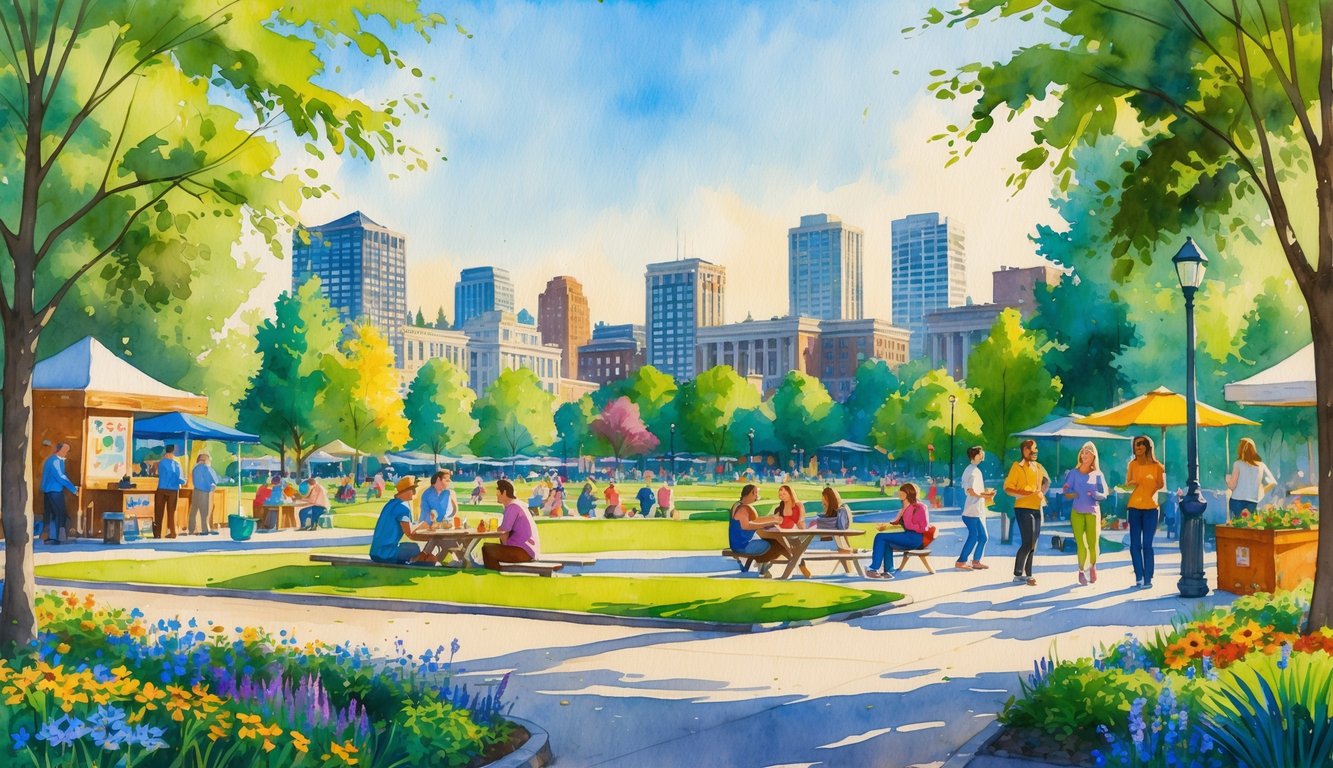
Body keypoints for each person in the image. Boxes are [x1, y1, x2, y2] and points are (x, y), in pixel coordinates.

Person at [1004, 439, 1050, 587]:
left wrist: (1042, 492)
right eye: (1032, 450)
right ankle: (1018, 574)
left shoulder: (1038, 467)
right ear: (1025, 450)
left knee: (1033, 544)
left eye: (1036, 449)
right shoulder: (1017, 467)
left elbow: (1046, 481)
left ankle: (1029, 574)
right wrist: (1022, 492)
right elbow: (1008, 488)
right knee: (1028, 542)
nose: (1035, 452)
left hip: (1037, 508)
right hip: (1022, 508)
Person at [1062, 442, 1109, 586]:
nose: (1084, 455)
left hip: (1092, 512)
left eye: (1087, 453)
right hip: (1077, 512)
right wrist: (1070, 494)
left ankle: (1093, 566)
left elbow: (1105, 494)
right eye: (1082, 452)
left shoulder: (1097, 474)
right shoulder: (1073, 473)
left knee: (1093, 543)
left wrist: (1095, 494)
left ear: (1093, 455)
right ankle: (1081, 570)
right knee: (1081, 544)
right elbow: (1065, 490)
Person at [1123, 435, 1165, 589]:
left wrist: (1149, 486)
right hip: (1134, 507)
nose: (1138, 447)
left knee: (1147, 544)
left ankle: (1148, 578)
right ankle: (1139, 576)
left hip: (1151, 509)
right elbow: (1128, 484)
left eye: (1141, 444)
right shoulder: (1132, 465)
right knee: (1134, 545)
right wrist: (1132, 484)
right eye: (1135, 445)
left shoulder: (1158, 467)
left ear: (1148, 446)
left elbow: (1160, 485)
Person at [866, 483, 929, 579]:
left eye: (903, 491)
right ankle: (889, 571)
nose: (899, 493)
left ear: (909, 493)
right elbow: (898, 524)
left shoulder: (920, 507)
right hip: (907, 536)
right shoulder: (904, 508)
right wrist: (885, 527)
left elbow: (924, 527)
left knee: (880, 537)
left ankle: (873, 568)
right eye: (900, 490)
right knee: (885, 541)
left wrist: (909, 520)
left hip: (915, 538)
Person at [727, 484, 790, 574]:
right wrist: (769, 523)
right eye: (756, 493)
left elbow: (755, 520)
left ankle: (764, 566)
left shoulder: (739, 505)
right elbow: (746, 526)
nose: (757, 496)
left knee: (773, 542)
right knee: (776, 544)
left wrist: (772, 519)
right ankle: (792, 561)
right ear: (750, 494)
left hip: (740, 544)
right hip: (743, 546)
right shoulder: (743, 509)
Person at [369, 476, 434, 564]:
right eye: (413, 490)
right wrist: (429, 534)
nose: (414, 493)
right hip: (386, 553)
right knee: (414, 548)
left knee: (415, 550)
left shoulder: (390, 504)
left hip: (376, 552)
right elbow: (409, 533)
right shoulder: (402, 507)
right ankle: (413, 565)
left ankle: (414, 562)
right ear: (406, 490)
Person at [482, 479, 541, 569]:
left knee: (486, 549)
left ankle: (495, 572)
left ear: (504, 492)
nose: (496, 495)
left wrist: (493, 529)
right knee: (488, 547)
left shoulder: (513, 507)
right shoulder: (517, 505)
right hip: (528, 549)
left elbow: (504, 531)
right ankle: (495, 570)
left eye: (498, 491)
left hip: (523, 551)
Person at [956, 446, 995, 570]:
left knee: (982, 537)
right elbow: (971, 491)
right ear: (975, 455)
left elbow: (975, 491)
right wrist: (985, 495)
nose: (983, 456)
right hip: (971, 511)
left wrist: (985, 495)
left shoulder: (975, 470)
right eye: (981, 454)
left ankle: (976, 561)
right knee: (976, 536)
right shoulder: (971, 471)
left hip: (975, 511)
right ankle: (961, 561)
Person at [1226, 437, 1277, 520]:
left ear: (1241, 449)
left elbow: (1232, 486)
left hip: (1237, 501)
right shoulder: (1261, 465)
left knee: (1236, 527)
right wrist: (1261, 492)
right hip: (1252, 502)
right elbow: (1273, 482)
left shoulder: (1238, 464)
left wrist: (1228, 480)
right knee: (1249, 527)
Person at [40, 442, 78, 545]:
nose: (66, 452)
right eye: (65, 450)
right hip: (55, 491)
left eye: (67, 450)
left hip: (48, 491)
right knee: (60, 513)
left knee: (52, 514)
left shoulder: (52, 460)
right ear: (59, 450)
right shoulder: (55, 461)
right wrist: (73, 489)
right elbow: (60, 477)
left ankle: (51, 537)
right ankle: (58, 537)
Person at [154, 444, 185, 539]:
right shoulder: (176, 464)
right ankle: (173, 532)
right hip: (173, 490)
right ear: (173, 452)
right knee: (172, 512)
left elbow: (157, 474)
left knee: (159, 512)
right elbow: (182, 480)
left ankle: (157, 533)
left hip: (161, 488)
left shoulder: (161, 463)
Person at [188, 453, 221, 535]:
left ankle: (191, 530)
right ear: (205, 460)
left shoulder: (195, 469)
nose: (210, 461)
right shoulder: (207, 468)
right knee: (204, 513)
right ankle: (205, 529)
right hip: (204, 492)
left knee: (193, 512)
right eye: (209, 459)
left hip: (195, 491)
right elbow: (215, 480)